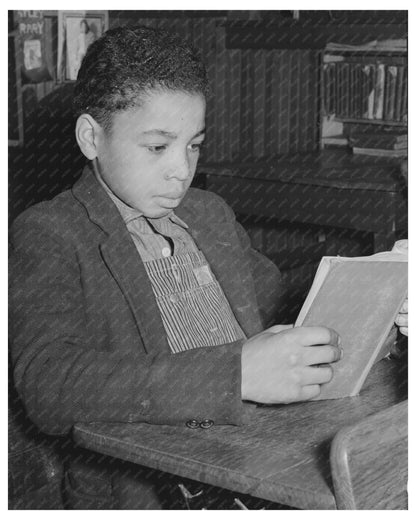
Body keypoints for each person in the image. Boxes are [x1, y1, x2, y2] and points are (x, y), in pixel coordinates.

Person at [10, 25, 402, 509]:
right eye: (157, 146)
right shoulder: (50, 234)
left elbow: (278, 302)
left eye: (193, 145)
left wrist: (369, 312)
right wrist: (234, 374)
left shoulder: (207, 213)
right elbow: (49, 384)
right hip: (160, 480)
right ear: (92, 137)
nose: (182, 169)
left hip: (250, 449)